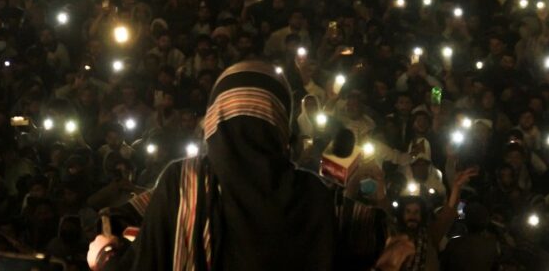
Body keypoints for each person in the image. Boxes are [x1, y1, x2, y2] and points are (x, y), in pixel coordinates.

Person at [87, 61, 398, 270]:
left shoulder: (184, 183)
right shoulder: (313, 194)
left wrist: (105, 257)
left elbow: (139, 256)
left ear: (214, 120)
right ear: (280, 128)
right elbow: (384, 241)